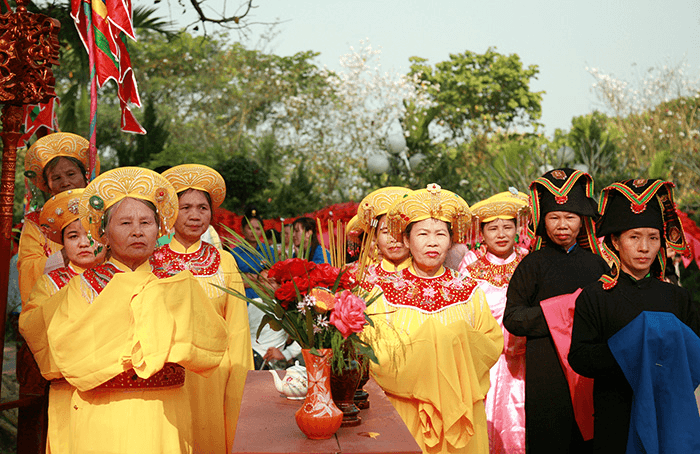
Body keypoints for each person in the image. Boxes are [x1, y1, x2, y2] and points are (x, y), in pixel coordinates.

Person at [45, 167, 228, 454]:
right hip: (102, 411)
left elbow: (210, 343)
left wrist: (122, 352)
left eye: (146, 222)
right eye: (125, 222)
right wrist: (154, 349)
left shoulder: (177, 284)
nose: (137, 231)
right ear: (103, 233)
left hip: (164, 411)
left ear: (159, 229)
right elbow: (67, 353)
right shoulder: (84, 287)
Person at [366, 183, 503, 454]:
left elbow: (490, 344)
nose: (432, 242)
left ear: (451, 241)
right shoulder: (383, 291)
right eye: (423, 234)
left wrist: (439, 344)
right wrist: (440, 346)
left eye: (440, 234)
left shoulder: (469, 289)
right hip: (404, 410)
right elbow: (374, 352)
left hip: (459, 407)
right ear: (406, 240)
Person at [569, 178, 700, 453]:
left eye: (653, 238)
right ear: (615, 241)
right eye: (634, 237)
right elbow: (579, 357)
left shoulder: (677, 297)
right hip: (617, 417)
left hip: (670, 418)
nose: (644, 248)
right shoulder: (595, 296)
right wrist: (634, 349)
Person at [503, 168, 609, 454]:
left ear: (581, 221)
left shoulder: (597, 266)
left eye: (570, 217)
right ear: (543, 221)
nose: (562, 224)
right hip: (546, 373)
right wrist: (561, 310)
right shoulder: (531, 265)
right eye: (554, 217)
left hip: (589, 370)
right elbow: (512, 317)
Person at [154, 164, 253, 454]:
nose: (195, 215)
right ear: (169, 211)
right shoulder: (151, 260)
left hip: (216, 378)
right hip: (166, 373)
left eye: (202, 207)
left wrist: (239, 384)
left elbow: (238, 329)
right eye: (185, 207)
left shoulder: (225, 261)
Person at [19, 188, 107, 454]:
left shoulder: (120, 279)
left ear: (108, 239)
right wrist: (74, 292)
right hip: (65, 387)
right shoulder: (49, 282)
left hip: (110, 388)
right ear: (63, 245)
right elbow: (31, 325)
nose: (83, 243)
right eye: (73, 236)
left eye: (92, 236)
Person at [457, 190, 529, 454]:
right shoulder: (469, 265)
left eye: (507, 227)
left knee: (519, 417)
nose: (501, 234)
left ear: (517, 229)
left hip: (521, 359)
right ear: (482, 233)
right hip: (482, 359)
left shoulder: (528, 261)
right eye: (493, 228)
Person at [18, 132, 98, 305]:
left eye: (71, 174)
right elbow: (27, 267)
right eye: (56, 178)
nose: (65, 182)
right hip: (53, 299)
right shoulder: (36, 221)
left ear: (85, 176)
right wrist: (64, 255)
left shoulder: (102, 213)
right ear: (47, 185)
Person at [351, 186, 411, 291]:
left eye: (400, 231)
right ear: (375, 236)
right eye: (386, 232)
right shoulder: (358, 279)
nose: (393, 239)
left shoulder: (429, 275)